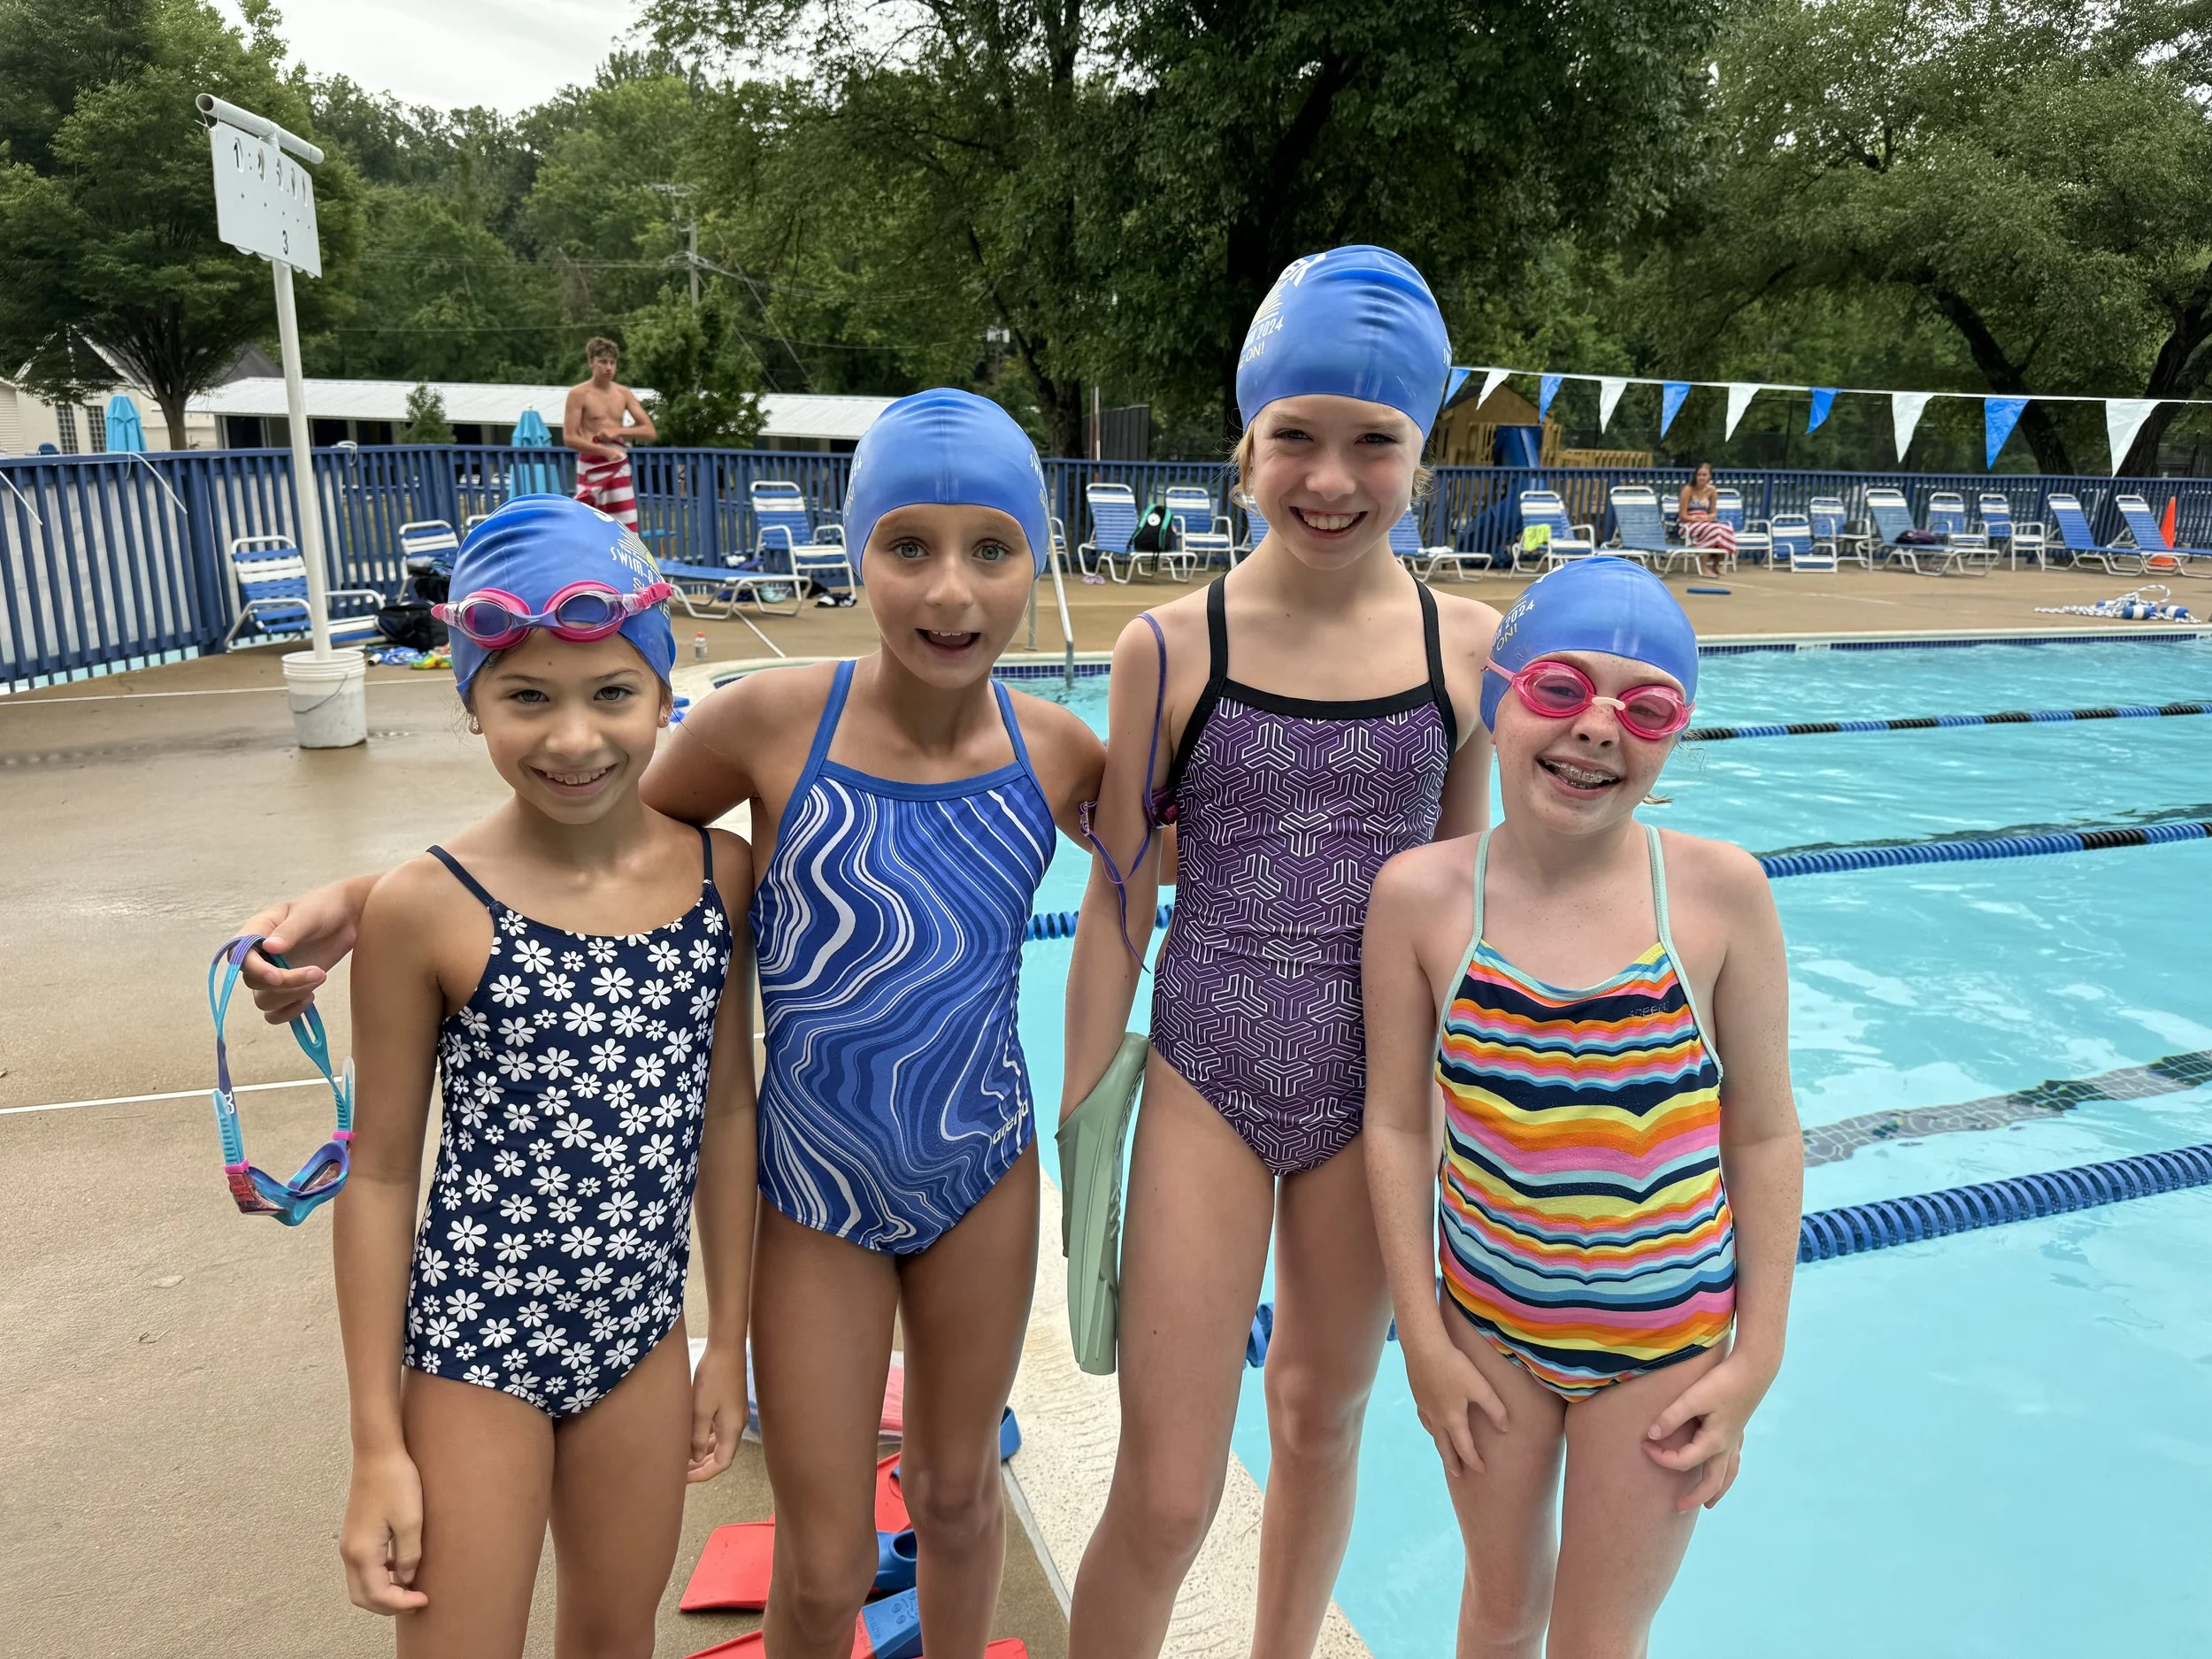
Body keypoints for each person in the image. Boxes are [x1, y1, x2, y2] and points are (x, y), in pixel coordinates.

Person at [238, 393, 1105, 1659]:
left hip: (983, 1167)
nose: (950, 588)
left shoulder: (1062, 750)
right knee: (824, 1561)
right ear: (858, 549)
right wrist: (367, 901)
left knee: (961, 1494)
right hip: (813, 1197)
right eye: (909, 544)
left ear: (1040, 555)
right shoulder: (771, 721)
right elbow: (584, 827)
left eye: (993, 548)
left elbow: (1207, 856)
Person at [1059, 246, 1501, 1658]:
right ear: (1245, 443)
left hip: (1378, 1099)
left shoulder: (1467, 649)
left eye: (1374, 441)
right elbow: (1122, 901)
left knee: (1321, 1416)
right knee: (1172, 1484)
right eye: (1295, 436)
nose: (1331, 476)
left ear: (1422, 458)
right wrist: (1082, 1125)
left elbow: (1465, 901)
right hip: (1205, 1078)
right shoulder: (1169, 649)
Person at [330, 495, 757, 1655]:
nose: (575, 737)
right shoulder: (426, 907)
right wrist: (377, 1438)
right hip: (477, 1343)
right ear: (472, 701)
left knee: (617, 1634)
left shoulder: (724, 877)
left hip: (641, 1336)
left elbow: (727, 1112)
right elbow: (375, 1177)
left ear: (666, 692)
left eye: (613, 691)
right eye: (527, 694)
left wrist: (732, 1333)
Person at [1361, 557, 1801, 1658]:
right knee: (1500, 1614)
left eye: (1644, 707)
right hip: (1486, 1335)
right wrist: (1420, 1338)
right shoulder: (1419, 897)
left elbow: (1764, 1132)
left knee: (1600, 1640)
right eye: (1560, 688)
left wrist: (1759, 1359)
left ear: (1674, 734)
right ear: (1500, 698)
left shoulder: (1717, 896)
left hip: (1665, 1352)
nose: (1598, 728)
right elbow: (1397, 1124)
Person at [565, 337, 655, 533]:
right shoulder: (579, 393)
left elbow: (649, 431)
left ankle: (627, 561)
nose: (609, 368)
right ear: (591, 362)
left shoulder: (623, 393)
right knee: (588, 524)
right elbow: (569, 437)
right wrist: (603, 450)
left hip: (618, 464)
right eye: (603, 362)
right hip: (592, 464)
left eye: (612, 363)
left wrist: (619, 431)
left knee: (626, 525)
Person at [1677, 461, 1734, 578]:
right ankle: (1704, 567)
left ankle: (1716, 564)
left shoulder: (1712, 490)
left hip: (1705, 521)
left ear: (1709, 476)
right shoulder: (1688, 489)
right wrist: (1698, 520)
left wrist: (1709, 518)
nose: (1701, 478)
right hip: (1688, 523)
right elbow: (1682, 515)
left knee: (1724, 529)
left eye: (1704, 475)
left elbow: (1713, 512)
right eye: (1699, 475)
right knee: (1714, 531)